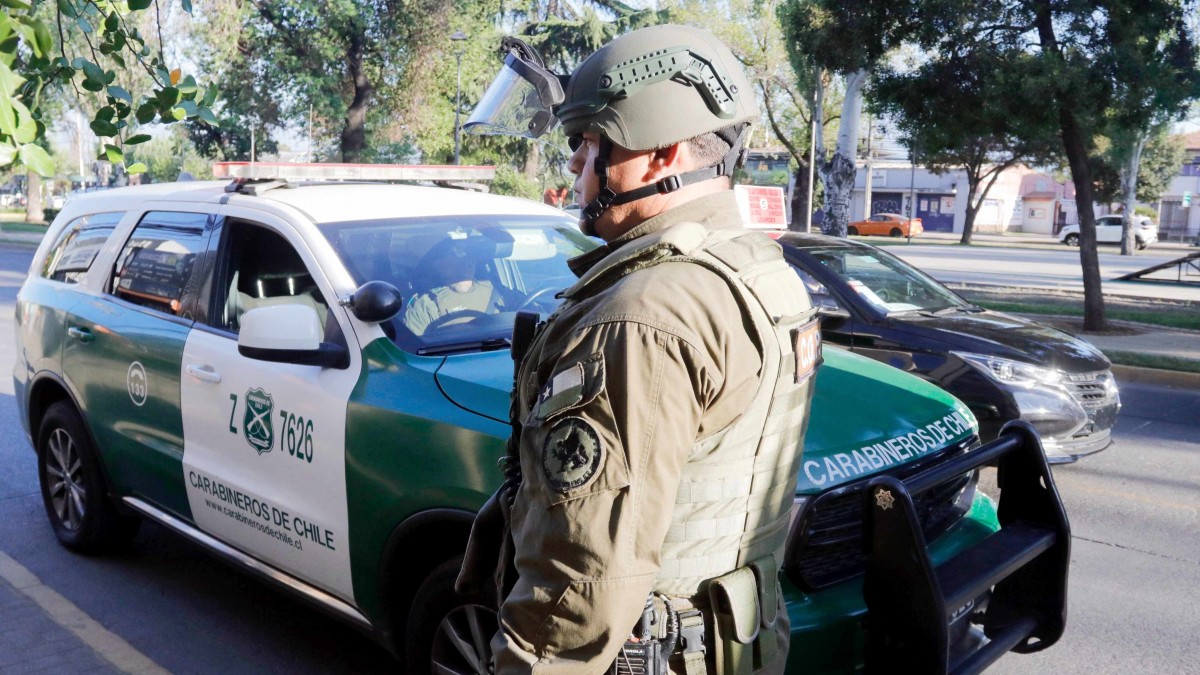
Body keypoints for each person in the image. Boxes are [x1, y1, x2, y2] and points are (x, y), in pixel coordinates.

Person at [460, 25, 820, 674]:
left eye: (589, 140)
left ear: (661, 155)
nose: (574, 162)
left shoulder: (640, 317)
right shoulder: (756, 270)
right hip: (741, 640)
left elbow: (581, 580)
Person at [403, 241, 505, 335]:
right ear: (439, 264)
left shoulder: (496, 291)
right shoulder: (427, 305)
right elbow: (413, 348)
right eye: (456, 255)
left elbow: (520, 309)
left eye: (468, 256)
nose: (466, 263)